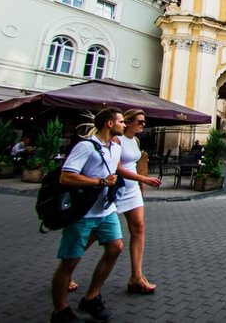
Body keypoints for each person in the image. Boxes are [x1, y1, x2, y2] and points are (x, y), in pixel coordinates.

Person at [50, 107, 125, 323]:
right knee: (70, 262)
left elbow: (114, 173)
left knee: (115, 247)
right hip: (82, 212)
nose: (124, 124)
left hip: (106, 209)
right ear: (109, 124)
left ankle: (92, 296)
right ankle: (60, 310)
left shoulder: (116, 148)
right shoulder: (85, 146)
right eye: (121, 121)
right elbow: (66, 177)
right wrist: (99, 182)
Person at [114, 109, 161, 294]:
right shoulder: (117, 140)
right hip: (116, 190)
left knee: (139, 228)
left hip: (132, 189)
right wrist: (144, 180)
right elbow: (116, 168)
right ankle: (68, 267)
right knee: (95, 234)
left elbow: (135, 164)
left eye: (144, 121)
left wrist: (141, 184)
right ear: (129, 122)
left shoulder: (135, 140)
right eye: (140, 121)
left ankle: (136, 277)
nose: (143, 124)